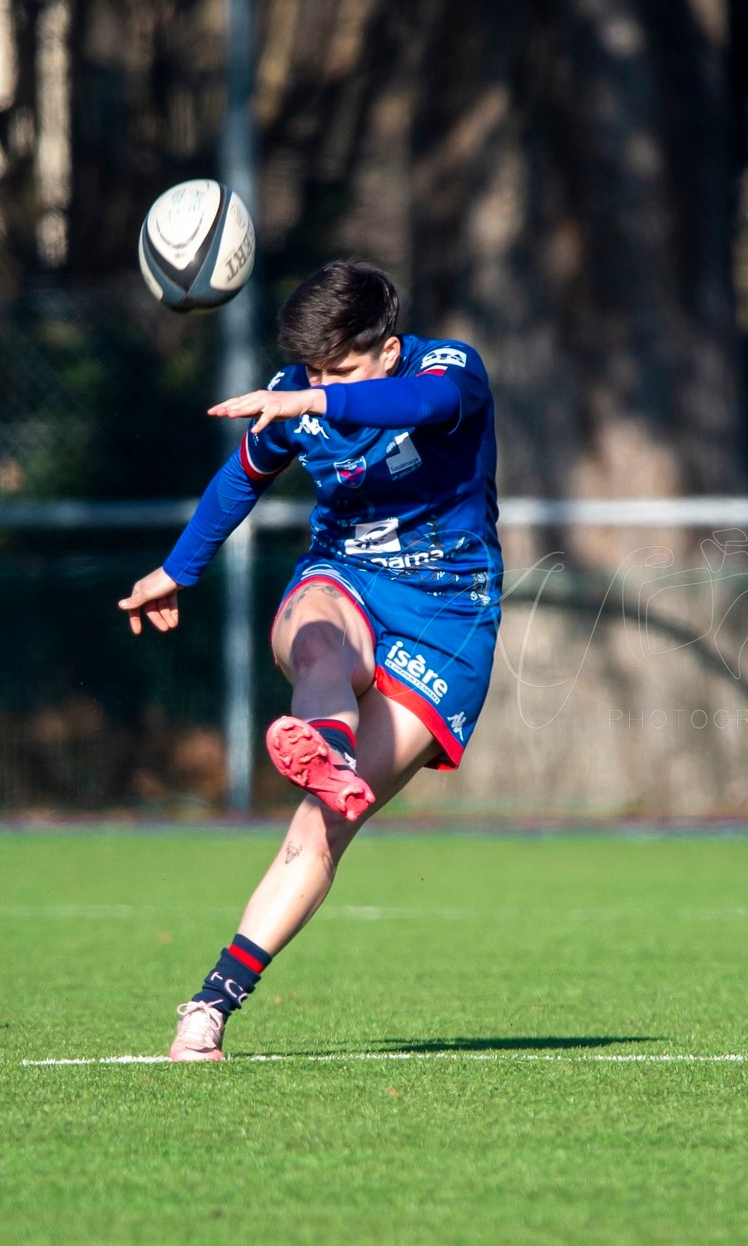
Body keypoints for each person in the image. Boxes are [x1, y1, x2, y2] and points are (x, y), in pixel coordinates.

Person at [117, 259, 500, 1061]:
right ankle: (322, 740)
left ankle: (216, 997)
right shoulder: (299, 397)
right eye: (312, 368)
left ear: (388, 350)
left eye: (341, 368)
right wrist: (175, 568)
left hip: (448, 624)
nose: (319, 381)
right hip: (346, 579)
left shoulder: (447, 370)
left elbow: (421, 405)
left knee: (325, 825)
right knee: (320, 639)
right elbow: (240, 479)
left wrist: (310, 396)